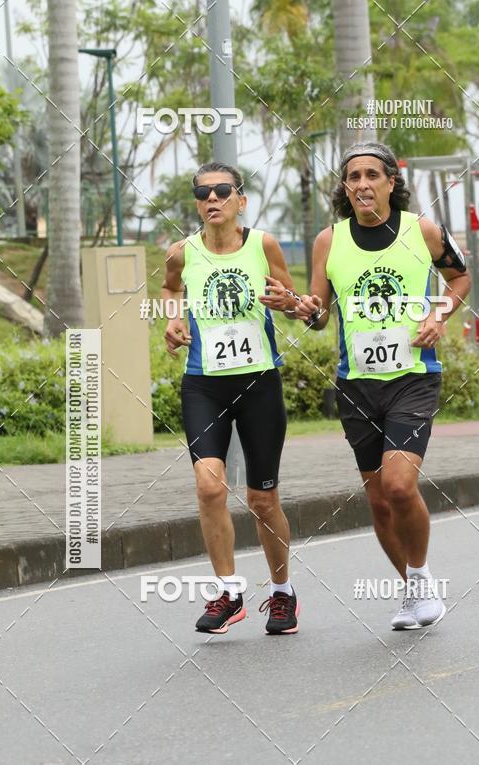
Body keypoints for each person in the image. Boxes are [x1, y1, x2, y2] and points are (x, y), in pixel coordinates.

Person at [261, 141, 471, 630]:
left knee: (399, 485)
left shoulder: (422, 230)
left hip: (414, 377)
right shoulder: (328, 242)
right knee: (377, 499)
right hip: (356, 385)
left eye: (371, 175)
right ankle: (416, 591)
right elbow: (318, 310)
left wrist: (439, 316)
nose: (360, 184)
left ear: (391, 183)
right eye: (352, 177)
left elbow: (460, 278)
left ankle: (418, 580)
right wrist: (297, 306)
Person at [162, 162, 299, 636]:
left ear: (241, 199)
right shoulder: (182, 253)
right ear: (197, 202)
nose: (212, 199)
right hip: (203, 382)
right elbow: (168, 288)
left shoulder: (263, 245)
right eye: (203, 193)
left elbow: (293, 298)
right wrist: (172, 319)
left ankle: (282, 594)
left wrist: (289, 301)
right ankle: (229, 591)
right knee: (208, 486)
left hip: (259, 381)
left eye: (222, 191)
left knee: (262, 499)